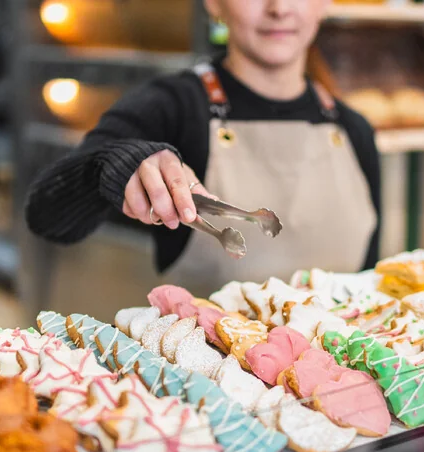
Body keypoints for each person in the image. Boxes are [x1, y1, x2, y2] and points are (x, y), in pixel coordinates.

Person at [25, 0, 381, 295]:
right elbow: (47, 214)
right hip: (203, 376)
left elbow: (367, 285)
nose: (280, 8)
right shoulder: (172, 105)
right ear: (213, 5)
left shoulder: (354, 130)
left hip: (335, 374)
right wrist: (114, 164)